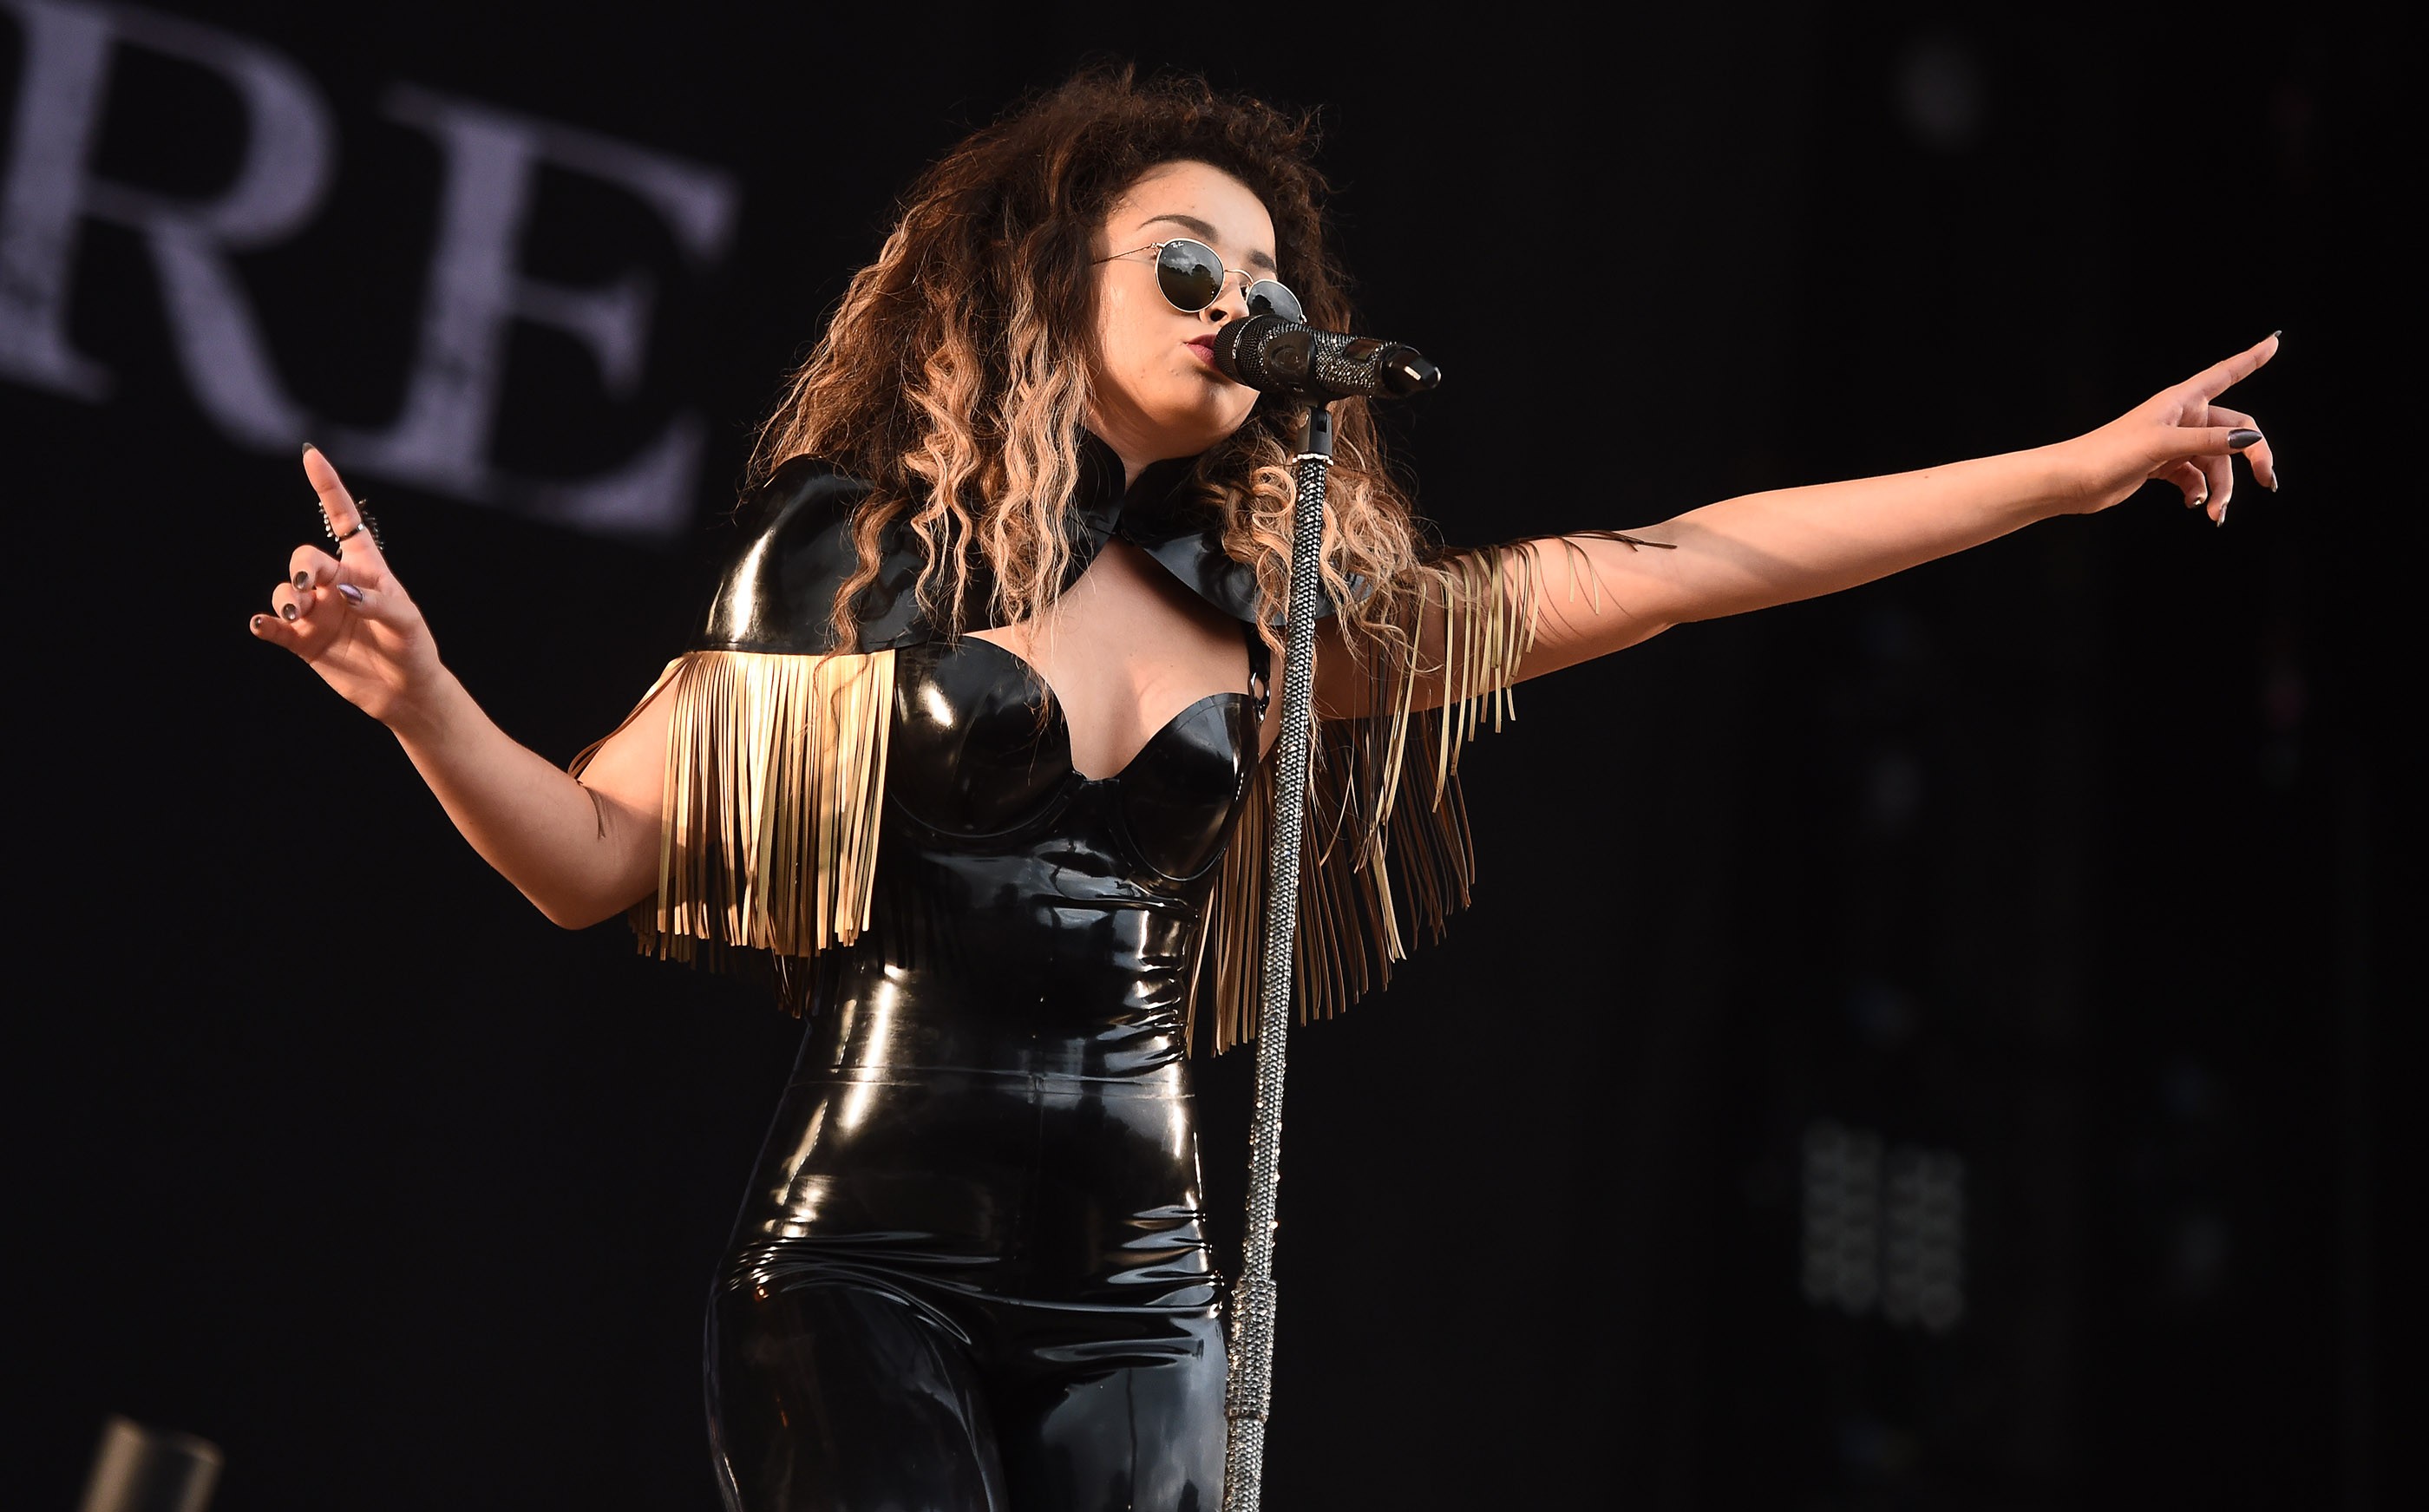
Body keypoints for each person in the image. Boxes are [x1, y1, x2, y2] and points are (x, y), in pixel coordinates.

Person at [246, 69, 2279, 1512]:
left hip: (1143, 1277)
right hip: (865, 1261)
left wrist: (2062, 470)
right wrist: (423, 692)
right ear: (1052, 280)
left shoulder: (1257, 612)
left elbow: (1671, 568)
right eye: (1184, 266)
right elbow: (597, 857)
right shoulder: (862, 556)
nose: (1240, 307)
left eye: (1262, 277)